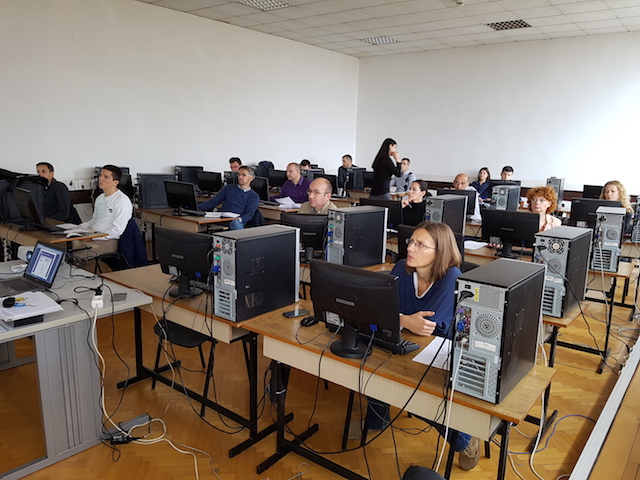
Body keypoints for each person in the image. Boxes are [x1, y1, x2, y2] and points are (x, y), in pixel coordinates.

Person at [366, 222, 480, 471]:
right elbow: (383, 308)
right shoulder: (401, 268)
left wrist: (399, 319)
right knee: (372, 364)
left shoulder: (451, 276)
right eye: (411, 242)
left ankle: (465, 440)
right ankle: (377, 420)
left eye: (420, 244)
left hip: (439, 350)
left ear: (440, 252)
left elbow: (429, 327)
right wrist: (404, 320)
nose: (410, 248)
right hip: (406, 341)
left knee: (419, 397)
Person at [78, 165, 133, 255]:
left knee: (77, 255)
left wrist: (93, 237)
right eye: (100, 175)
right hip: (93, 234)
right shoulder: (100, 198)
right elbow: (95, 220)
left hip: (109, 240)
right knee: (65, 247)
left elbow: (117, 231)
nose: (101, 179)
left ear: (115, 182)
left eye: (106, 177)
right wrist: (79, 228)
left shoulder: (121, 201)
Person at [198, 165, 259, 230]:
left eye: (244, 175)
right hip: (222, 218)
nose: (240, 177)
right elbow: (213, 202)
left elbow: (249, 214)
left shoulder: (254, 196)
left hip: (236, 221)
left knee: (235, 223)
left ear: (251, 178)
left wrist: (239, 219)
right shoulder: (228, 188)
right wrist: (195, 207)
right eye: (239, 174)